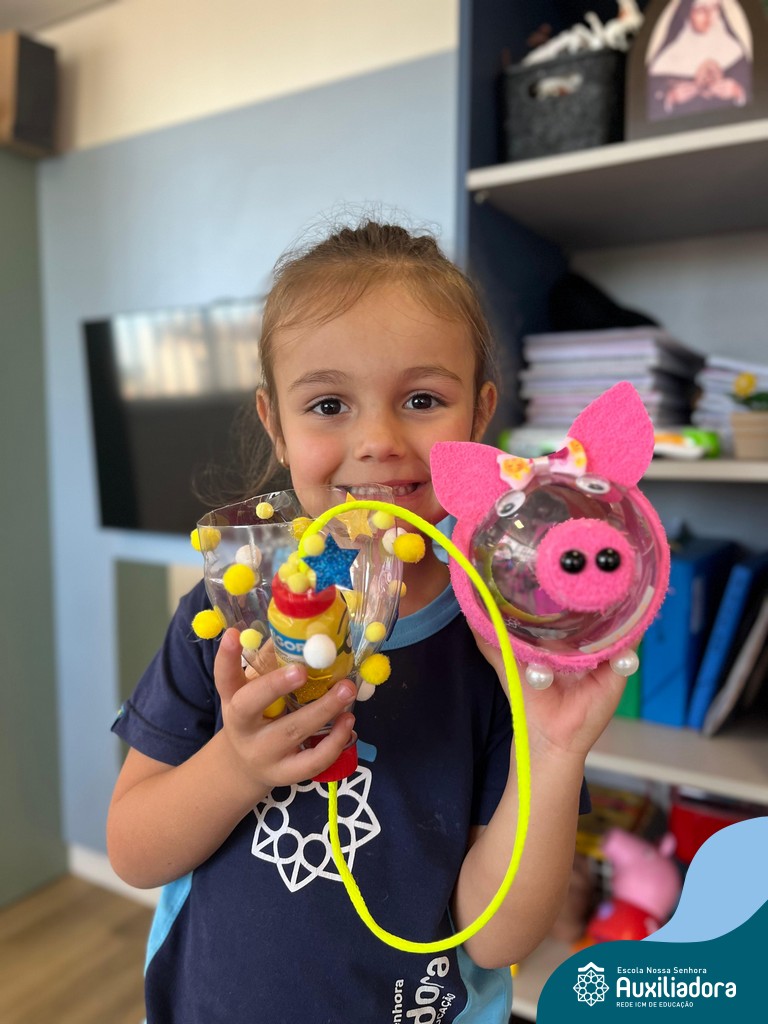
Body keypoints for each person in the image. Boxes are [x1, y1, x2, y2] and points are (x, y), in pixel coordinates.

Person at [107, 219, 628, 1023]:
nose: (380, 442)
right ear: (276, 425)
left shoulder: (504, 635)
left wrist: (554, 750)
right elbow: (135, 852)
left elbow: (498, 938)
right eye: (328, 404)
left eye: (422, 400)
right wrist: (238, 766)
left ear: (478, 417)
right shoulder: (226, 615)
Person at [647, 0, 751, 118]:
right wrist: (670, 98)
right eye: (701, 10)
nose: (710, 16)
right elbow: (648, 110)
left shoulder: (734, 50)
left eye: (715, 8)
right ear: (687, 12)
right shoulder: (665, 60)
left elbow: (758, 94)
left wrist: (738, 92)